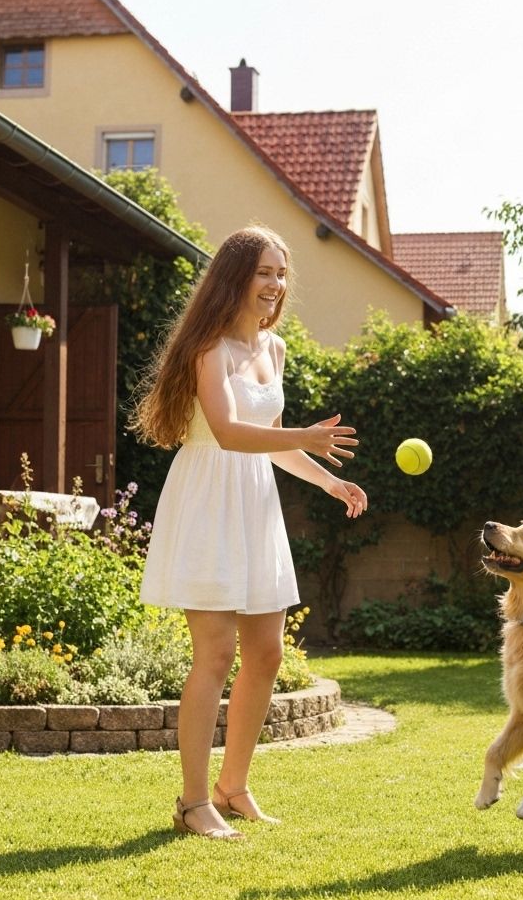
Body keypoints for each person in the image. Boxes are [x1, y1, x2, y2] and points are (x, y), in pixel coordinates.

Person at [132, 226, 367, 840]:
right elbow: (231, 432)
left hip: (255, 504)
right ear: (235, 276)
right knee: (214, 656)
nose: (275, 285)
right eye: (265, 272)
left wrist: (327, 481)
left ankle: (231, 787)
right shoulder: (207, 347)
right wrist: (302, 437)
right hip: (208, 500)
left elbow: (272, 443)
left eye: (281, 274)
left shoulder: (274, 348)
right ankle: (191, 803)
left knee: (267, 654)